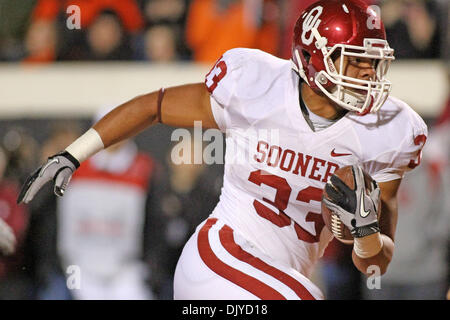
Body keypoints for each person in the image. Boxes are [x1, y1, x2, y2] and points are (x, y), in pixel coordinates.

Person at [17, 0, 428, 300]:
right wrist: (73, 154)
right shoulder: (257, 85)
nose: (369, 74)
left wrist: (364, 234)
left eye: (374, 62)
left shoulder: (390, 131)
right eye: (354, 61)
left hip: (281, 279)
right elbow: (154, 105)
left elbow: (375, 265)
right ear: (314, 57)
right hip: (219, 260)